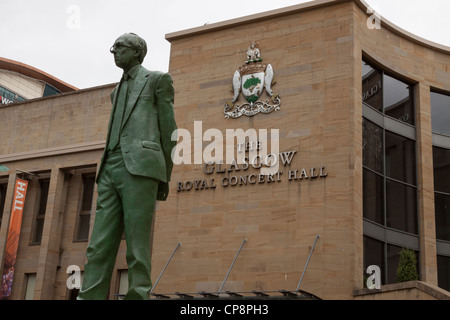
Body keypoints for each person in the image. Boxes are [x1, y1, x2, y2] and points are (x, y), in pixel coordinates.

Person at [77, 33, 177, 300]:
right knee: (98, 246)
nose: (114, 51)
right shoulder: (116, 91)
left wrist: (164, 176)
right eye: (114, 47)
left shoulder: (157, 80)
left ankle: (137, 296)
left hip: (141, 168)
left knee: (137, 244)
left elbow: (170, 131)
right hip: (109, 168)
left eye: (119, 47)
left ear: (137, 51)